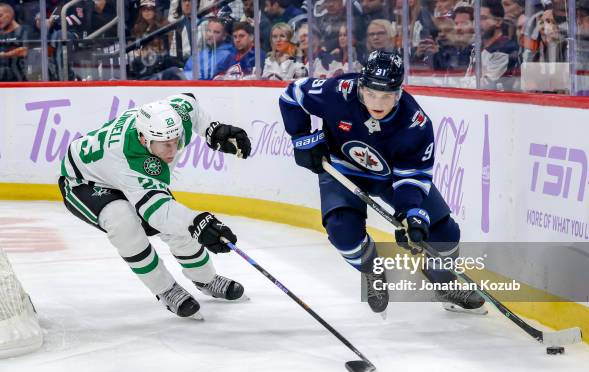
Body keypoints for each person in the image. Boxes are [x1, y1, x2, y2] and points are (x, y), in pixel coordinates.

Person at [278, 50, 486, 315]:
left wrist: (410, 214)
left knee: (444, 232)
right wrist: (301, 137)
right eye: (371, 93)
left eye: (387, 95)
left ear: (399, 93)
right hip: (343, 169)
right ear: (361, 86)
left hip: (391, 178)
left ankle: (444, 283)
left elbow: (412, 176)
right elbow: (293, 94)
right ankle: (371, 268)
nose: (378, 102)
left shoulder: (415, 123)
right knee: (342, 230)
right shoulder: (338, 92)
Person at [58, 93, 252, 319]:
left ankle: (206, 279)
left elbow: (190, 102)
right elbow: (157, 212)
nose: (172, 151)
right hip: (85, 182)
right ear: (143, 139)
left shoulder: (179, 116)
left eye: (176, 142)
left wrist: (212, 129)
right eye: (165, 145)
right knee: (124, 223)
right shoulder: (128, 159)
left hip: (121, 173)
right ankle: (165, 289)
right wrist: (197, 222)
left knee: (180, 226)